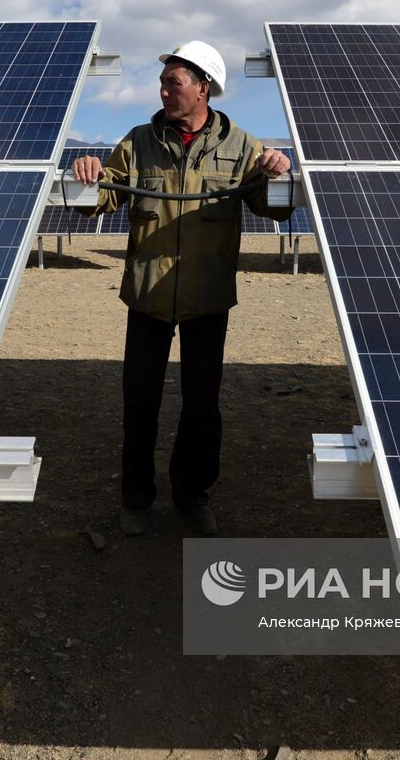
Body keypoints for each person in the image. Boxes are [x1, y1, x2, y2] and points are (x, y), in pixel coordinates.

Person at [73, 40, 292, 537]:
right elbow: (100, 200)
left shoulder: (243, 147)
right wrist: (86, 176)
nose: (164, 91)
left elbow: (273, 209)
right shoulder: (137, 140)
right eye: (163, 82)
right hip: (148, 297)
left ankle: (193, 495)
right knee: (140, 400)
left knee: (201, 405)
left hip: (208, 299)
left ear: (203, 87)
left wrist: (278, 173)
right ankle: (136, 498)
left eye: (174, 82)